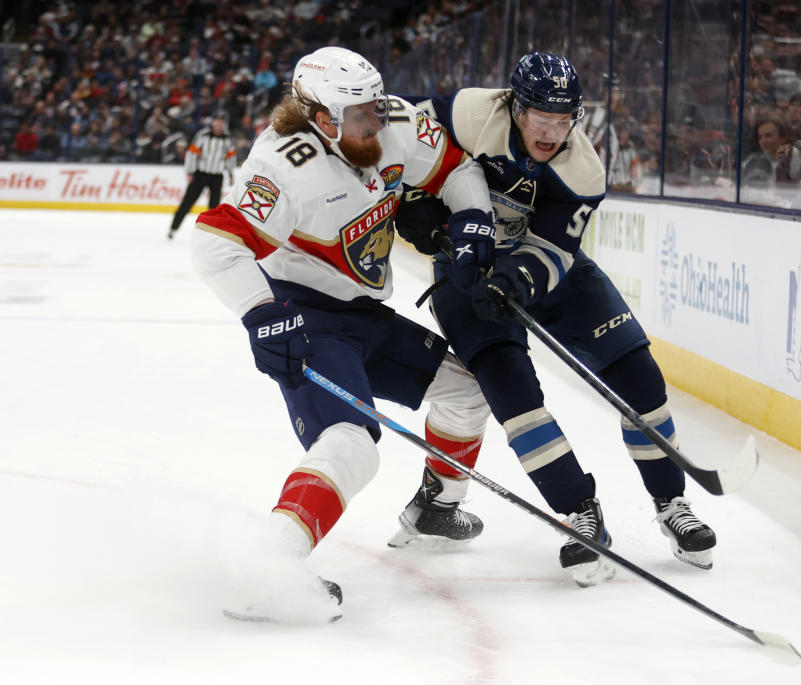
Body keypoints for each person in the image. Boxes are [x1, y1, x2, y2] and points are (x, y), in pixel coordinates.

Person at [191, 46, 496, 622]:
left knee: (466, 390)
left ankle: (436, 507)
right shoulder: (283, 165)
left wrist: (472, 215)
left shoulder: (394, 123)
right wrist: (260, 313)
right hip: (308, 317)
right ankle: (270, 564)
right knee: (354, 441)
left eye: (375, 108)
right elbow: (214, 243)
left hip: (366, 315)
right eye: (359, 116)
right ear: (319, 118)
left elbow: (455, 170)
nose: (375, 123)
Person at [390, 52, 717, 587]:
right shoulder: (472, 112)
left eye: (563, 120)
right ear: (515, 107)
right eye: (540, 117)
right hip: (465, 271)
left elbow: (554, 250)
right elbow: (400, 139)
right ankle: (578, 511)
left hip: (544, 267)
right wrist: (409, 201)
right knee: (512, 394)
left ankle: (671, 501)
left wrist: (515, 278)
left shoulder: (583, 169)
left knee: (641, 379)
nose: (550, 132)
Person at [168, 112, 237, 240]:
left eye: (221, 121)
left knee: (214, 207)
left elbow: (230, 157)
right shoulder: (203, 135)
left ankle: (212, 234)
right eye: (216, 120)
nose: (218, 124)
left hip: (217, 175)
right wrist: (189, 171)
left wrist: (231, 173)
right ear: (212, 122)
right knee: (188, 202)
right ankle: (173, 228)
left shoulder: (227, 138)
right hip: (201, 174)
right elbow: (192, 154)